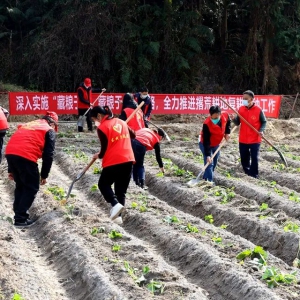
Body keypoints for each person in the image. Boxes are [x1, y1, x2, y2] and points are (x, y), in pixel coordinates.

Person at [5, 111, 58, 227]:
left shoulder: (30, 124)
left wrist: (11, 169)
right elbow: (48, 155)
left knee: (21, 185)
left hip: (10, 153)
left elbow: (16, 143)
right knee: (31, 187)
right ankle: (21, 219)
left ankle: (18, 214)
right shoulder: (48, 130)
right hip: (26, 155)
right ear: (52, 123)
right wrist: (44, 175)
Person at [90, 105, 135, 224]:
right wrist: (123, 126)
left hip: (114, 160)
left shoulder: (102, 128)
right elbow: (134, 135)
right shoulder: (121, 121)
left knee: (103, 184)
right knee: (120, 190)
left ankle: (115, 204)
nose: (95, 122)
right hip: (128, 159)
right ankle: (118, 218)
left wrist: (99, 155)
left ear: (99, 116)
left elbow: (104, 149)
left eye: (94, 119)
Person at [233, 90, 267, 178]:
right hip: (243, 138)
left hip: (255, 139)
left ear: (251, 99)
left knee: (254, 157)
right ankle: (247, 172)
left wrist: (261, 130)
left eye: (246, 98)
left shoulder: (258, 110)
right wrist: (233, 119)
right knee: (244, 157)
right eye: (243, 98)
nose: (244, 100)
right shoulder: (241, 109)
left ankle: (254, 174)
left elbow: (264, 122)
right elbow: (237, 123)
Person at [199, 105, 231, 184]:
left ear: (220, 114)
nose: (215, 119)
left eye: (217, 117)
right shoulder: (206, 124)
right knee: (210, 162)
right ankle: (209, 182)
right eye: (213, 118)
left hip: (216, 143)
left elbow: (228, 123)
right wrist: (208, 155)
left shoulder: (225, 115)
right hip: (205, 144)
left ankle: (206, 177)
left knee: (215, 161)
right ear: (210, 115)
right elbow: (206, 140)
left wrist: (227, 133)